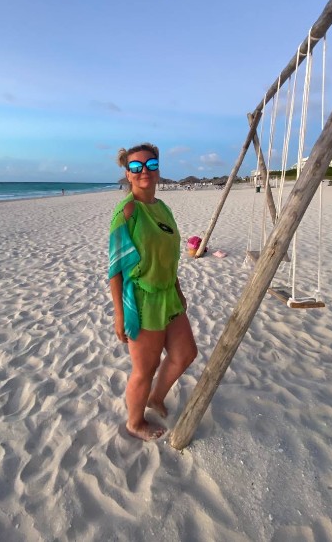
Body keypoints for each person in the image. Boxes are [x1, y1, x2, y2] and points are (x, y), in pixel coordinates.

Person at [108, 143, 197, 441]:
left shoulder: (163, 208)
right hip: (142, 299)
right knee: (145, 369)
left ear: (158, 170)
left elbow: (168, 256)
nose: (143, 171)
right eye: (136, 167)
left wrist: (178, 289)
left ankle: (155, 397)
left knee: (185, 353)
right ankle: (134, 423)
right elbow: (115, 269)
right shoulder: (127, 211)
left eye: (150, 165)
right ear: (128, 174)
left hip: (168, 293)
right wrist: (119, 314)